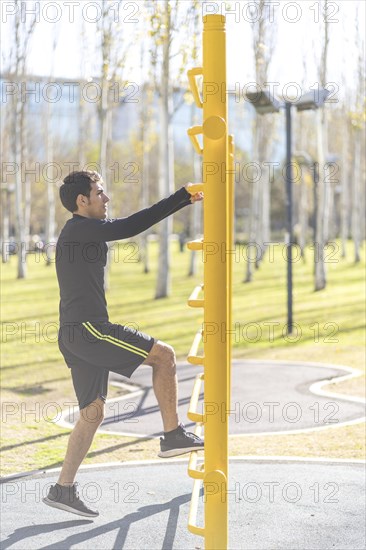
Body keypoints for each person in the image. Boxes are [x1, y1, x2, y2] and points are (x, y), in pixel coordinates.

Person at [43, 170, 204, 517]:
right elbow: (129, 227)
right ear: (81, 201)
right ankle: (172, 434)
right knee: (165, 357)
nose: (107, 198)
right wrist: (182, 197)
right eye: (100, 193)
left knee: (92, 412)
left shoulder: (84, 230)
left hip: (74, 333)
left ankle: (63, 489)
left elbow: (120, 225)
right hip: (88, 330)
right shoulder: (79, 229)